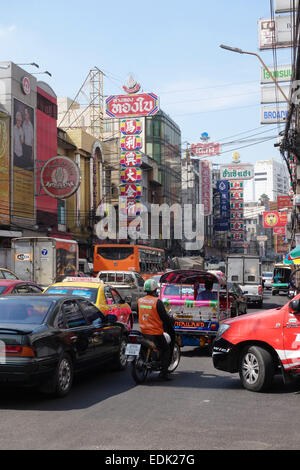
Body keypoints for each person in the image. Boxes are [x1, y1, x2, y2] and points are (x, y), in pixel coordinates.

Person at [138, 279, 175, 381]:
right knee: (166, 349)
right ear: (155, 290)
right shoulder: (157, 302)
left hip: (143, 332)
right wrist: (172, 320)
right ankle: (163, 373)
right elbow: (164, 317)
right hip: (155, 332)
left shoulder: (140, 300)